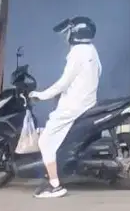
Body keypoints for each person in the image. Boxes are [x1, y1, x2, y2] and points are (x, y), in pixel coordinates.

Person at [29, 16, 102, 199]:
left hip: (73, 106)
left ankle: (55, 186)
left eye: (69, 31)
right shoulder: (91, 50)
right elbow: (96, 73)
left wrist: (41, 95)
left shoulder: (77, 53)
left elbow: (63, 83)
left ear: (75, 33)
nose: (66, 36)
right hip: (86, 102)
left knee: (45, 142)